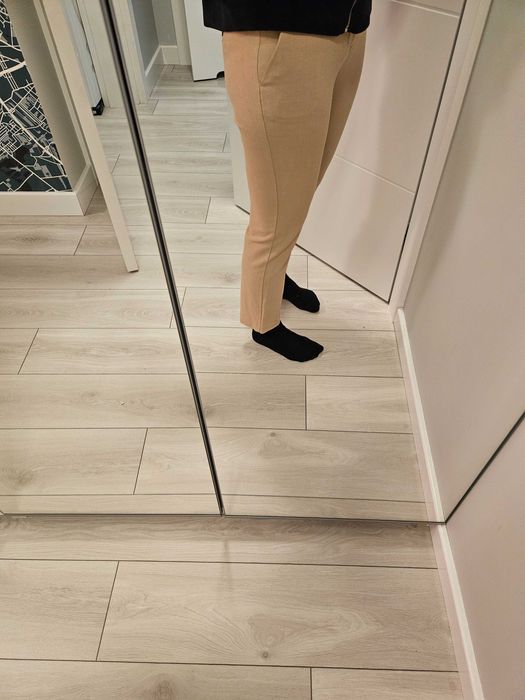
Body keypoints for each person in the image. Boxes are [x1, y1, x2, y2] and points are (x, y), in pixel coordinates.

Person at [202, 1, 372, 361]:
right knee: (277, 209)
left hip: (350, 29)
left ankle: (274, 279)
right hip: (278, 31)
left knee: (297, 191)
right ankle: (263, 323)